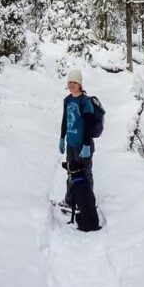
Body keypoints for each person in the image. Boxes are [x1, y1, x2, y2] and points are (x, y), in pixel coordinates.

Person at [59, 68, 94, 206]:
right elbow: (64, 120)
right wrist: (62, 138)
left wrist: (86, 145)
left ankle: (88, 202)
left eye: (75, 82)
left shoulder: (85, 101)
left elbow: (89, 126)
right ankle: (70, 200)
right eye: (70, 82)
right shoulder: (67, 100)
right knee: (70, 172)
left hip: (82, 145)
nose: (72, 85)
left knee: (85, 173)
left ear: (80, 84)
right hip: (71, 144)